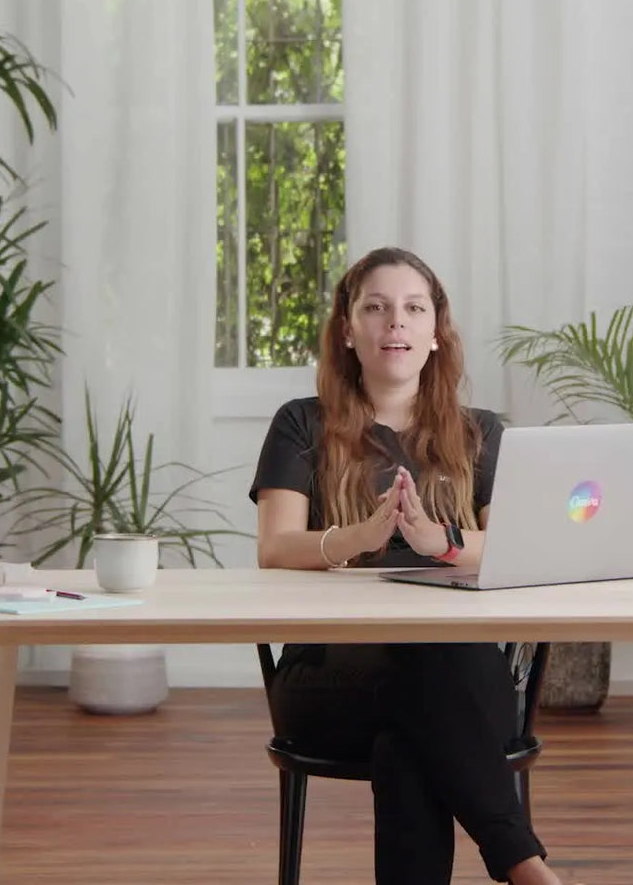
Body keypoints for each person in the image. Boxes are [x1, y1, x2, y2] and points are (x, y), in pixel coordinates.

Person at [249, 246, 574, 885]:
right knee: (430, 680)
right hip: (329, 683)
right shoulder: (301, 424)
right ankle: (524, 865)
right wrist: (358, 537)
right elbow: (275, 546)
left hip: (455, 685)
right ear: (348, 330)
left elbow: (518, 545)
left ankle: (523, 866)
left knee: (411, 739)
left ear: (434, 332)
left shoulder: (481, 432)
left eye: (412, 309)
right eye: (375, 307)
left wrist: (441, 544)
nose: (394, 322)